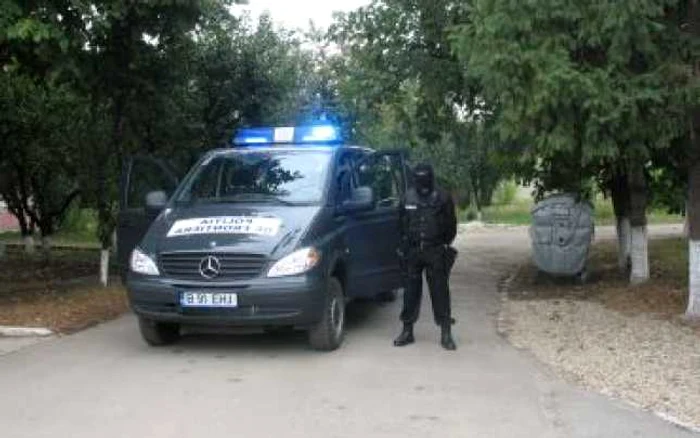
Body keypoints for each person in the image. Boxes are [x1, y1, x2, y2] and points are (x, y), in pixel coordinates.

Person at [394, 162, 458, 350]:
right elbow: (400, 223)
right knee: (410, 293)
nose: (422, 183)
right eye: (419, 178)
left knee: (440, 292)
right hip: (413, 251)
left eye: (425, 178)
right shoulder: (407, 198)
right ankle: (407, 331)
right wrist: (404, 245)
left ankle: (446, 333)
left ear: (431, 178)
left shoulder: (442, 197)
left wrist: (442, 244)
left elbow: (451, 226)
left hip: (435, 250)